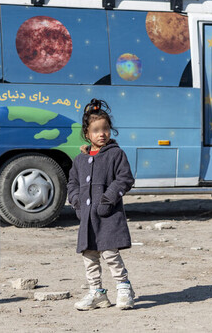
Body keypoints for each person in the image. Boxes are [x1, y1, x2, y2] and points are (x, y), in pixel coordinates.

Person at [67, 98, 135, 310]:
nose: (102, 133)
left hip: (108, 216)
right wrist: (77, 203)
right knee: (89, 256)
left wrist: (108, 199)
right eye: (96, 130)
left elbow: (125, 179)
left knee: (110, 254)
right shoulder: (79, 160)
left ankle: (124, 289)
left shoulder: (116, 154)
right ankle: (97, 293)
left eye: (105, 128)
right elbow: (73, 183)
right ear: (87, 134)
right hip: (87, 218)